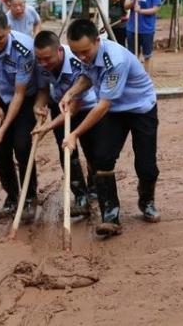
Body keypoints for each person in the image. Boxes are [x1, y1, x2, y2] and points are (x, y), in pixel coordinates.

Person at [60, 19, 160, 236]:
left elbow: (103, 105)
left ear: (98, 40)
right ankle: (110, 216)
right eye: (77, 53)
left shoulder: (115, 60)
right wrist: (71, 92)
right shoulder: (85, 53)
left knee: (146, 165)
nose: (81, 57)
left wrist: (75, 134)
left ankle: (147, 201)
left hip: (140, 108)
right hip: (116, 112)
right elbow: (88, 76)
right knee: (101, 158)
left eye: (85, 51)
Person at [0, 10, 42, 221]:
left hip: (24, 99)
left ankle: (29, 198)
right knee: (0, 152)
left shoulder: (25, 49)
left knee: (22, 147)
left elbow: (20, 93)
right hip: (0, 98)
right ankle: (12, 196)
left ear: (9, 30)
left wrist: (3, 128)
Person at [31, 31, 98, 217]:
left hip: (85, 108)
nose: (43, 64)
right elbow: (43, 89)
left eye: (47, 59)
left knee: (93, 150)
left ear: (59, 51)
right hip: (59, 105)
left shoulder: (79, 62)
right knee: (67, 151)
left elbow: (75, 106)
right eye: (39, 60)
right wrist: (39, 105)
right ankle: (81, 197)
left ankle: (95, 188)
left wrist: (47, 127)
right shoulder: (41, 62)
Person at [124, 0, 162, 74]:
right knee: (132, 55)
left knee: (147, 55)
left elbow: (156, 8)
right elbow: (126, 5)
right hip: (132, 28)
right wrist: (133, 1)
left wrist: (140, 11)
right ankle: (134, 78)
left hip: (147, 28)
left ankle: (146, 79)